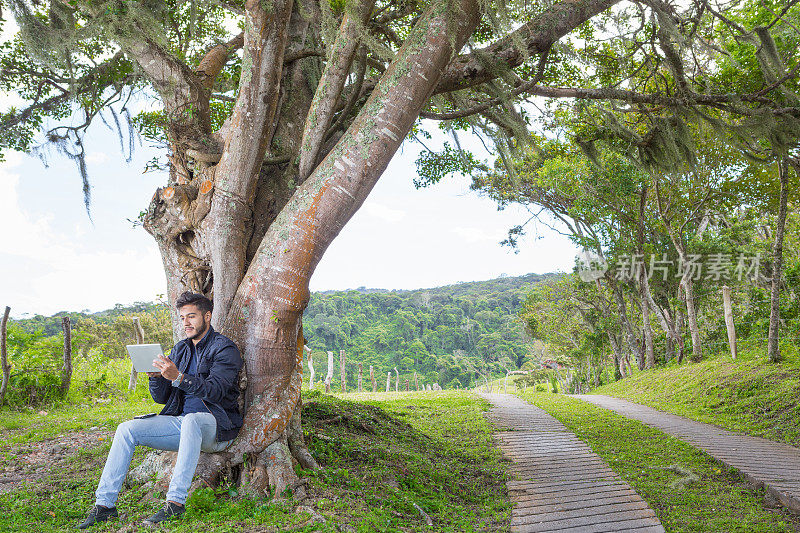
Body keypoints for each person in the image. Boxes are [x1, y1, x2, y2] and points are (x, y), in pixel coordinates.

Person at [77, 292, 244, 528]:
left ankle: (175, 503)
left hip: (216, 426)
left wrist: (179, 377)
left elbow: (216, 391)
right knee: (127, 429)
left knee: (192, 421)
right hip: (182, 424)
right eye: (182, 317)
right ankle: (105, 505)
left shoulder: (224, 348)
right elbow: (162, 398)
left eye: (192, 316)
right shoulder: (181, 349)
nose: (186, 322)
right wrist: (157, 378)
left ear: (207, 316)